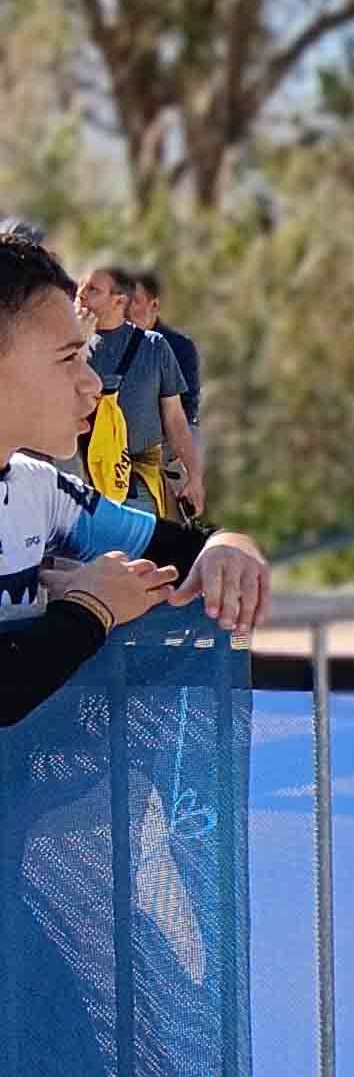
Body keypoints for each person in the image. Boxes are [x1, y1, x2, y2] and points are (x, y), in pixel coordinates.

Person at [0, 236, 272, 725]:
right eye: (68, 359)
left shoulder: (39, 489)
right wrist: (92, 608)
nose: (92, 384)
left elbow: (184, 546)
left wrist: (229, 547)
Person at [75, 263, 202, 520]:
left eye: (93, 289)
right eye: (80, 287)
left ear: (118, 300)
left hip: (140, 485)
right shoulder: (67, 347)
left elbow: (175, 420)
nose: (81, 294)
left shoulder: (154, 346)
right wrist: (76, 343)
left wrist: (195, 477)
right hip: (84, 483)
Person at [127, 271, 200, 431]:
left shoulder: (180, 347)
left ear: (154, 305)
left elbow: (187, 408)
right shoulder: (107, 342)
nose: (126, 308)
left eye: (134, 301)